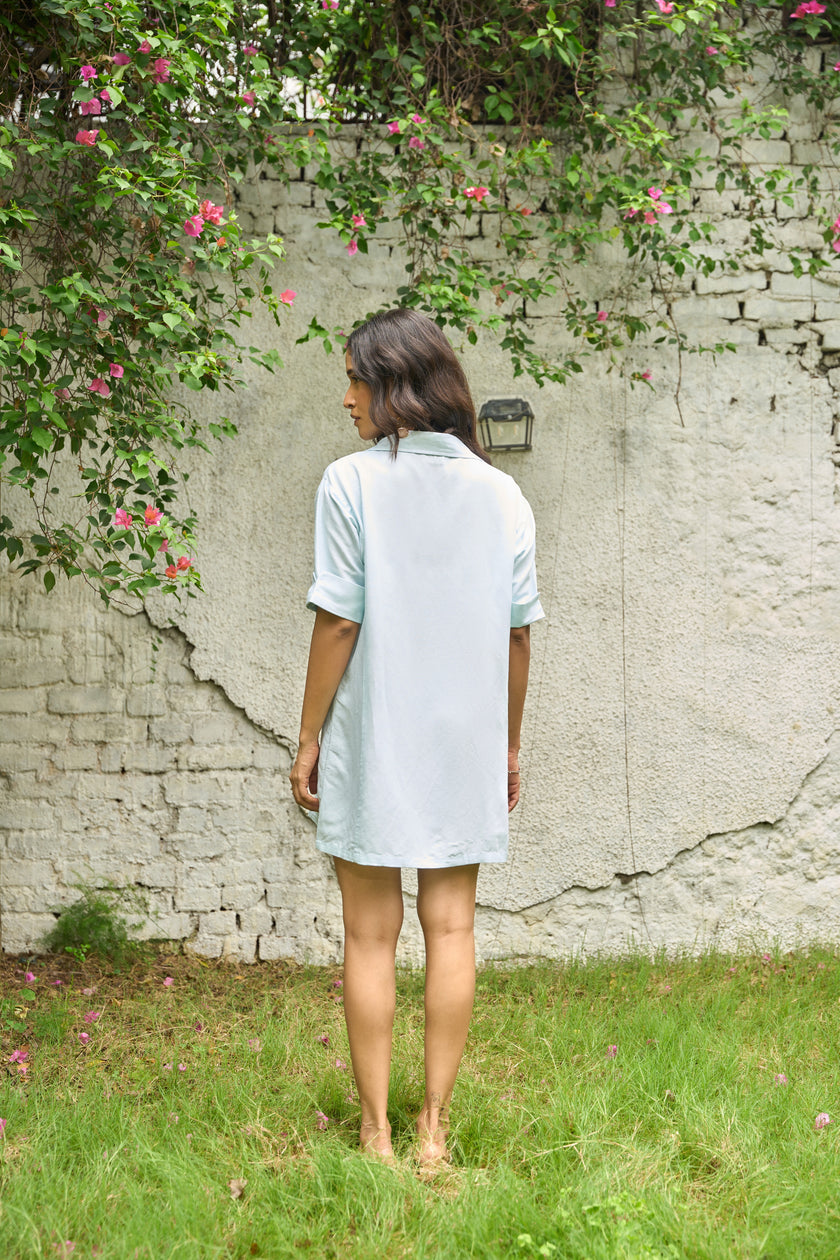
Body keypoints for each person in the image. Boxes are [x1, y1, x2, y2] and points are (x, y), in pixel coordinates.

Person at [289, 308, 543, 1166]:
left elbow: (337, 622)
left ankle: (377, 1133)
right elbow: (517, 636)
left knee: (368, 933)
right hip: (464, 737)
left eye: (355, 380)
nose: (347, 399)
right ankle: (435, 1130)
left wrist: (308, 735)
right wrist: (507, 747)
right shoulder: (502, 491)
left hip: (372, 733)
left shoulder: (349, 484)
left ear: (393, 385)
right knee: (453, 927)